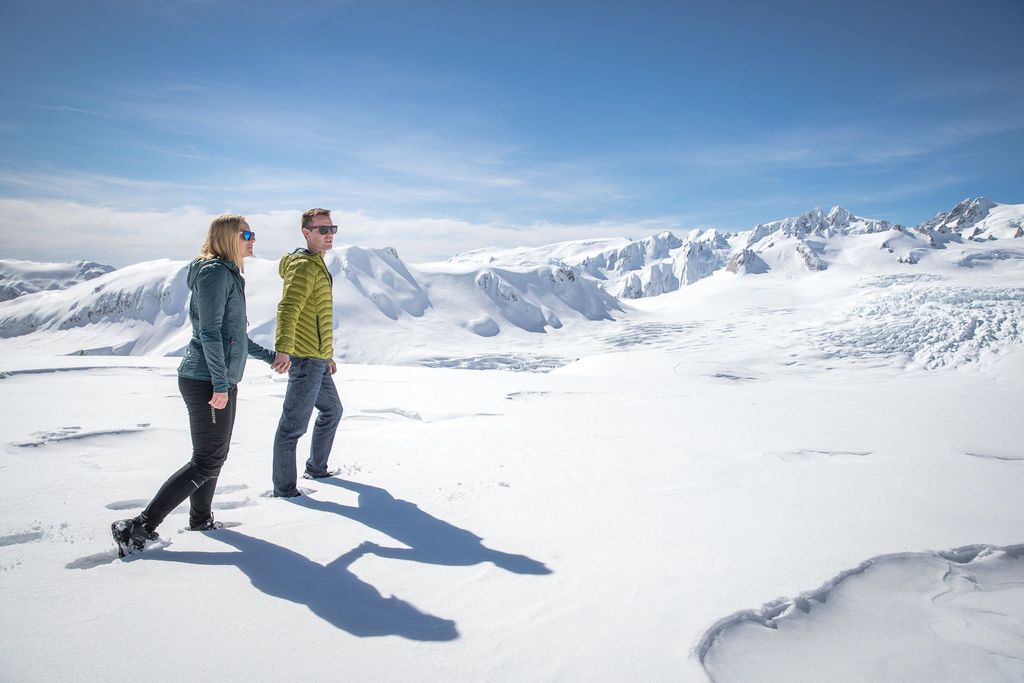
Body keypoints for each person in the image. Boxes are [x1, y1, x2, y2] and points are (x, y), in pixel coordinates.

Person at [111, 214, 290, 557]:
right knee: (207, 460)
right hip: (206, 379)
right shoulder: (213, 274)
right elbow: (208, 332)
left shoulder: (228, 274)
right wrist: (220, 385)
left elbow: (232, 334)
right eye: (247, 234)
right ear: (227, 237)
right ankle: (138, 527)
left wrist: (269, 357)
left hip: (218, 378)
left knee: (213, 457)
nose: (253, 239)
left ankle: (200, 519)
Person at [271, 208, 343, 497]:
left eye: (332, 229)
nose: (328, 235)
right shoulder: (304, 266)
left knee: (332, 410)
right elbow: (288, 308)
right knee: (292, 428)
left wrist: (326, 354)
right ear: (306, 232)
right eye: (322, 229)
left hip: (317, 357)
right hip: (302, 358)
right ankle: (285, 489)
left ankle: (316, 467)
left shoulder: (316, 263)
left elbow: (316, 314)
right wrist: (284, 350)